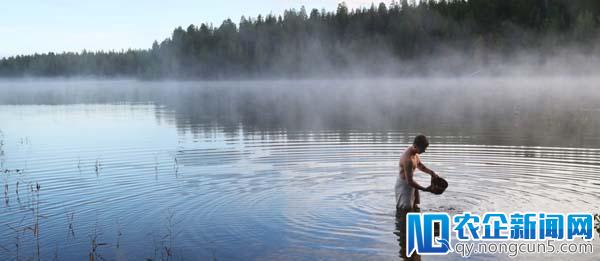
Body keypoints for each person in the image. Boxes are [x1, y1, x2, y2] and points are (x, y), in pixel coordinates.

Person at [395, 134, 438, 210]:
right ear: (415, 146)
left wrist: (432, 173)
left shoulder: (414, 153)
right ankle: (402, 221)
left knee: (415, 205)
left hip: (410, 181)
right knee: (405, 209)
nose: (424, 151)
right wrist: (424, 189)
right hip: (404, 185)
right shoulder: (408, 160)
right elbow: (409, 182)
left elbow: (420, 165)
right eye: (423, 148)